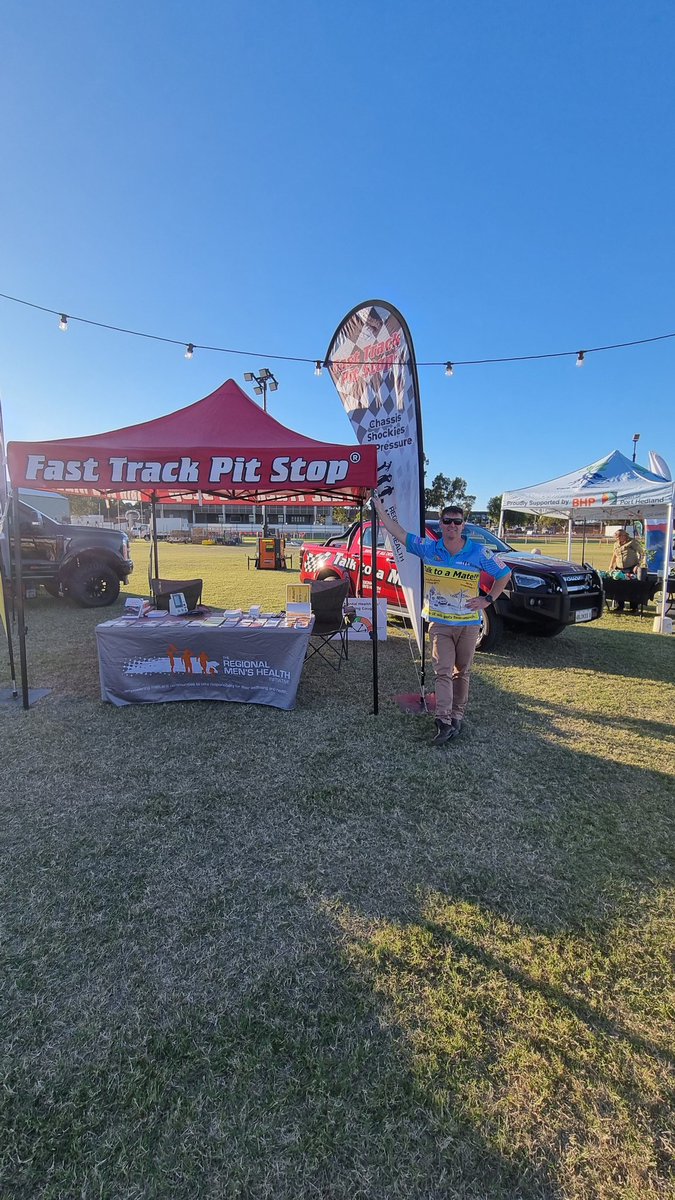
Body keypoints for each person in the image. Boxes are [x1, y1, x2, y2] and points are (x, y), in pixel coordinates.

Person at [373, 495, 511, 746]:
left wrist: (488, 599)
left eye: (457, 522)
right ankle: (443, 721)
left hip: (468, 624)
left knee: (462, 672)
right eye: (447, 521)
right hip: (440, 624)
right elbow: (399, 533)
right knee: (443, 672)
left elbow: (504, 573)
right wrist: (381, 510)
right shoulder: (429, 548)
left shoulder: (478, 552)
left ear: (463, 525)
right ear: (441, 524)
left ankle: (457, 716)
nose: (452, 526)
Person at [608, 528, 645, 612]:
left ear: (624, 536)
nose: (617, 538)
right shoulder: (616, 544)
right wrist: (611, 565)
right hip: (619, 569)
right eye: (616, 537)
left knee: (632, 588)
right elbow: (614, 555)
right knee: (618, 588)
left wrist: (638, 565)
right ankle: (620, 606)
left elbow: (642, 553)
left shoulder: (633, 542)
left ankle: (634, 607)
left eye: (618, 536)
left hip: (631, 568)